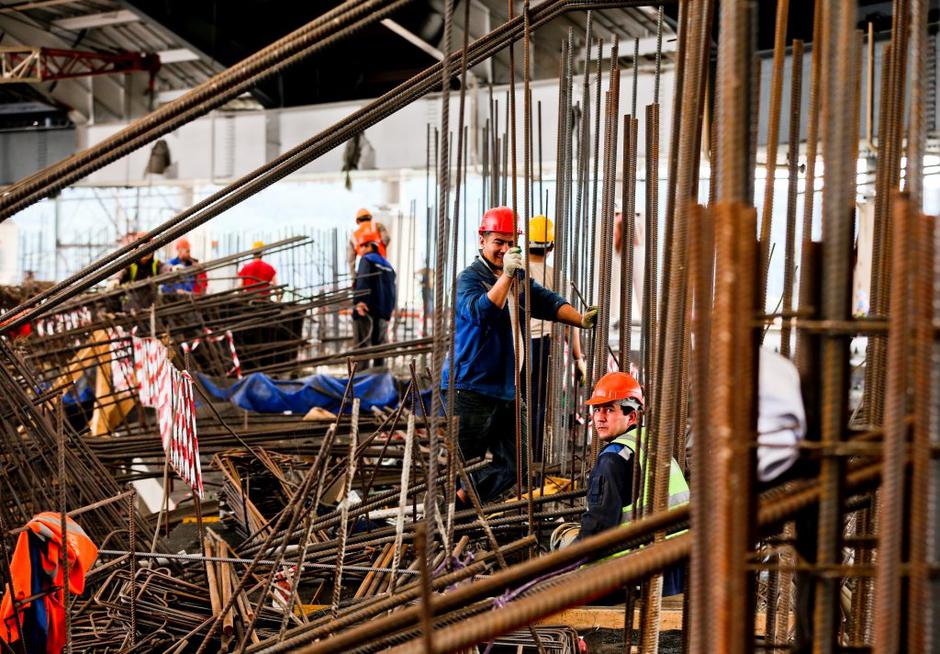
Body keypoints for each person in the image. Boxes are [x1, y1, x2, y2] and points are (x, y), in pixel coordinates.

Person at [441, 206, 598, 505]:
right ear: (482, 240)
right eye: (498, 242)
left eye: (510, 243)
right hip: (470, 387)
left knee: (519, 463)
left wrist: (580, 319)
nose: (504, 249)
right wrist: (507, 276)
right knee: (465, 467)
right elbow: (482, 313)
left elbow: (547, 302)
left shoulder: (519, 277)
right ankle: (452, 515)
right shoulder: (469, 279)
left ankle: (461, 505)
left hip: (509, 387)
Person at [576, 371, 689, 596]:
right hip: (679, 558)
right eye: (597, 409)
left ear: (632, 416)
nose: (600, 418)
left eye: (609, 410)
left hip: (639, 567)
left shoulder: (614, 457)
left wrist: (565, 563)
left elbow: (599, 525)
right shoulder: (653, 444)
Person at [524, 215, 587, 462]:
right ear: (551, 246)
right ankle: (534, 459)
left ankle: (514, 456)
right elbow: (571, 324)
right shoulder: (556, 277)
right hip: (543, 347)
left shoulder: (514, 273)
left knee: (514, 401)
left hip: (515, 344)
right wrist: (579, 360)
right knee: (538, 405)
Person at [353, 238, 397, 368]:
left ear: (369, 246)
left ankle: (362, 376)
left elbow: (363, 280)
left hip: (366, 310)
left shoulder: (367, 259)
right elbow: (392, 291)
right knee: (379, 349)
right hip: (383, 312)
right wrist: (388, 312)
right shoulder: (389, 266)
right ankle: (378, 376)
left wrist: (360, 301)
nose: (360, 251)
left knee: (363, 346)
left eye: (362, 247)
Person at [347, 208, 391, 279]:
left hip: (365, 267)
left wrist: (354, 278)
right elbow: (386, 239)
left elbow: (351, 260)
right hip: (382, 265)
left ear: (357, 221)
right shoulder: (378, 226)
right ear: (370, 218)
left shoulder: (354, 236)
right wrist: (379, 248)